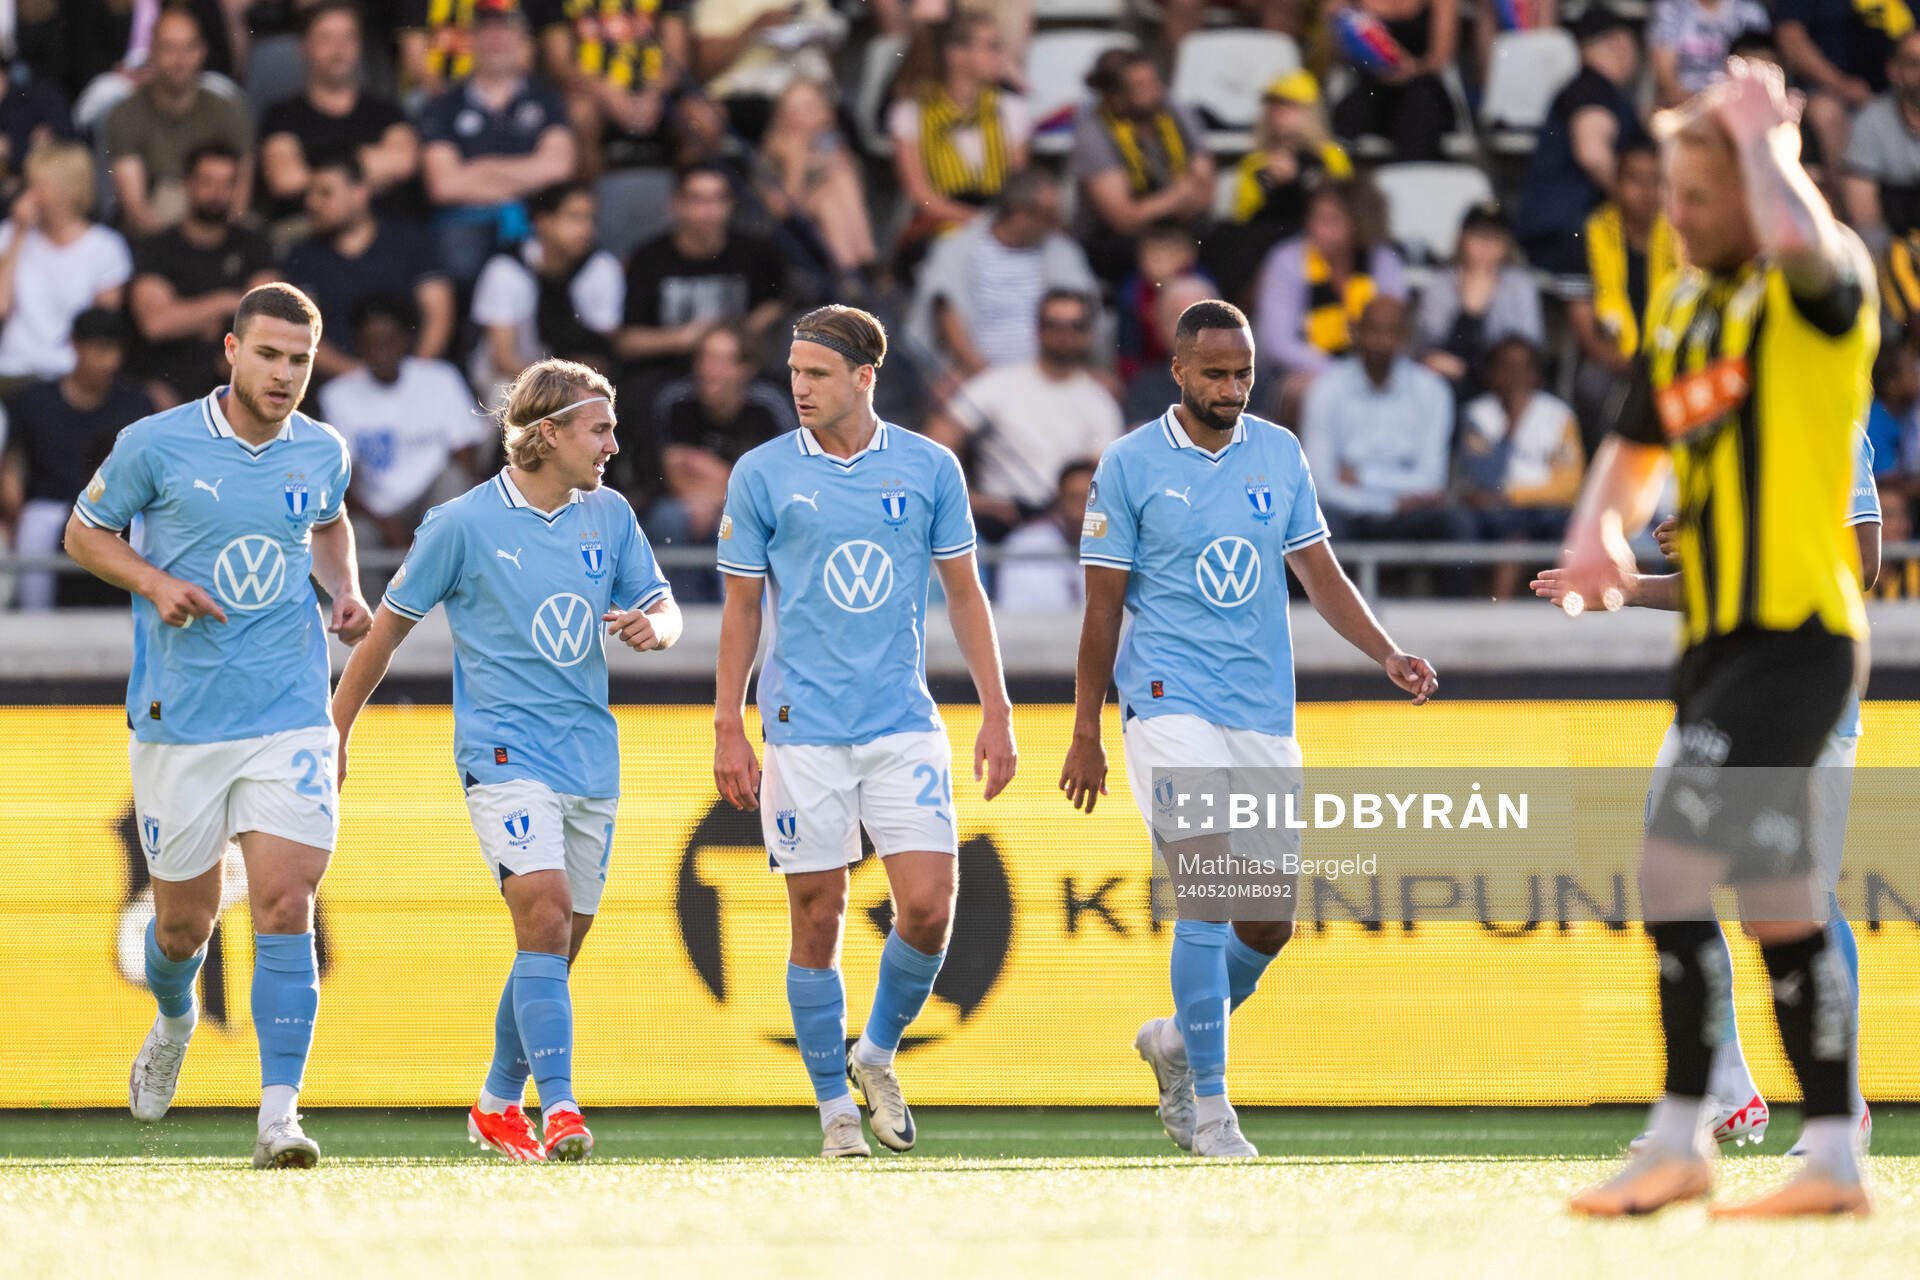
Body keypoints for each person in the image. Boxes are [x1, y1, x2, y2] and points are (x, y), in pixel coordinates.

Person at [1559, 58, 1875, 1217]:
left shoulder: (1813, 290)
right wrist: (1600, 532)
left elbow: (1817, 256)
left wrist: (1769, 146)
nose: (1675, 218)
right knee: (1781, 900)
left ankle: (1681, 1134)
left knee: (1671, 868)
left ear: (1753, 192)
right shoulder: (1688, 307)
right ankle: (1835, 1157)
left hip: (1796, 635)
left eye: (1698, 196)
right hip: (1719, 641)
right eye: (1672, 196)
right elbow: (1638, 436)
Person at [1058, 297, 1437, 1159]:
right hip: (1165, 698)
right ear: (1180, 371)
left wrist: (1388, 653)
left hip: (1261, 707)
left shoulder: (1280, 451)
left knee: (1268, 923)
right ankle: (1214, 1108)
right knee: (1209, 887)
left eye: (1245, 375)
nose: (1232, 389)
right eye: (1217, 374)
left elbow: (1320, 573)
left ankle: (1178, 1042)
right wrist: (1086, 727)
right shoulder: (1128, 463)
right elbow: (1101, 609)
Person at [332, 358, 680, 1164]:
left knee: (554, 944)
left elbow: (663, 608)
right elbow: (386, 631)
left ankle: (496, 1103)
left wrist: (653, 629)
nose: (614, 444)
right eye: (601, 428)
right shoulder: (459, 524)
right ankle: (560, 1110)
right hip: (502, 750)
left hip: (589, 757)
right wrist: (335, 727)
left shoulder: (611, 514)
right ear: (549, 433)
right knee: (546, 914)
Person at [61, 283, 371, 1168]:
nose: (283, 374)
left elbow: (330, 519)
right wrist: (157, 583)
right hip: (182, 719)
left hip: (289, 708)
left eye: (300, 361)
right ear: (230, 351)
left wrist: (342, 588)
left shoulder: (322, 450)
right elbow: (86, 536)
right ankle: (173, 1015)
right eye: (268, 355)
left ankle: (279, 1116)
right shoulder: (154, 445)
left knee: (285, 903)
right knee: (181, 933)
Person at [712, 304, 1017, 1159]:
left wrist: (995, 710)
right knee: (818, 918)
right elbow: (740, 609)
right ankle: (832, 1113)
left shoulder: (929, 468)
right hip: (801, 730)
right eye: (794, 372)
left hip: (900, 723)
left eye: (815, 374)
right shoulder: (764, 472)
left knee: (927, 908)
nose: (798, 387)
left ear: (864, 377)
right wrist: (728, 724)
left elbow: (964, 592)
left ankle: (874, 1052)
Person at [1535, 423, 1882, 1158]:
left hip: (1803, 687)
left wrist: (1722, 547)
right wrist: (1626, 589)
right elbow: (1716, 585)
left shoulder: (1820, 411)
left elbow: (1863, 562)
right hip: (1715, 687)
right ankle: (1726, 1094)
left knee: (1797, 897)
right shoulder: (1709, 426)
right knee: (1670, 877)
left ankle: (1841, 1109)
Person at [924, 289, 1125, 539]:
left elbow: (1099, 477)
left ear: (1090, 333)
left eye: (1075, 325)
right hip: (999, 519)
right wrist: (971, 500)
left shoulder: (1100, 401)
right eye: (1053, 324)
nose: (1064, 334)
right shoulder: (998, 383)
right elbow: (937, 443)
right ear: (1037, 329)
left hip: (1070, 527)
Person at [0, 309, 153, 609]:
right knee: (35, 527)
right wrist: (11, 509)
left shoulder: (135, 403)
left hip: (117, 508)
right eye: (100, 349)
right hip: (50, 508)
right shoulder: (35, 400)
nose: (110, 361)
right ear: (75, 345)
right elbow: (12, 465)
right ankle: (37, 624)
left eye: (116, 350)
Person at [417, 0, 579, 285]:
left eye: (506, 29)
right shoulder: (442, 105)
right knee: (455, 257)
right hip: (465, 227)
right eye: (486, 30)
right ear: (471, 39)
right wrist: (527, 172)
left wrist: (482, 168)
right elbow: (443, 186)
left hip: (532, 223)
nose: (496, 40)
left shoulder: (547, 100)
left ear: (522, 38)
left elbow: (560, 169)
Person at [1300, 295, 1471, 545]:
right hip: (1346, 512)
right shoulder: (1326, 389)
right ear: (1356, 332)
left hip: (1409, 513)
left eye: (1391, 332)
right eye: (1373, 331)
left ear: (1406, 337)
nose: (1381, 342)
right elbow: (1320, 483)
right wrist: (1389, 503)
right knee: (1315, 527)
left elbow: (1432, 480)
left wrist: (1362, 477)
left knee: (1457, 525)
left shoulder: (1432, 390)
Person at [321, 297, 489, 550]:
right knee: (353, 533)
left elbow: (466, 456)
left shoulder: (440, 378)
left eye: (388, 341)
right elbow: (342, 481)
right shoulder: (337, 395)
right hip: (376, 511)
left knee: (455, 482)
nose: (381, 351)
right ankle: (369, 593)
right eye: (371, 344)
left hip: (432, 502)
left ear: (405, 340)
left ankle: (448, 586)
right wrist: (385, 526)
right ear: (359, 345)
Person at [640, 322, 791, 600]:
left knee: (741, 524)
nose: (711, 369)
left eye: (723, 360)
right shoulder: (677, 401)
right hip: (688, 504)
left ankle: (744, 616)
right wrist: (728, 478)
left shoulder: (767, 408)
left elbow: (774, 486)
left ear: (746, 368)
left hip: (744, 510)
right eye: (706, 358)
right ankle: (673, 611)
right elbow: (672, 473)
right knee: (667, 518)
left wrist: (719, 493)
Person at [905, 167, 1096, 381]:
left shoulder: (1062, 251)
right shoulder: (957, 249)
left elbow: (1080, 319)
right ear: (1020, 213)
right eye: (1049, 215)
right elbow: (949, 319)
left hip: (1052, 376)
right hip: (976, 376)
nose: (1057, 223)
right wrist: (991, 382)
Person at [128, 145, 277, 408]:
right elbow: (156, 324)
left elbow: (268, 313)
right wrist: (226, 302)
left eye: (226, 183)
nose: (217, 193)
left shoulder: (253, 245)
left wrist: (188, 314)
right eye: (207, 182)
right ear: (187, 184)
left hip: (236, 379)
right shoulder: (157, 249)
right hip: (169, 383)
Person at [283, 156, 456, 380]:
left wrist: (413, 379)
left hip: (417, 378)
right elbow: (303, 334)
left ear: (360, 192)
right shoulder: (303, 256)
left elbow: (439, 315)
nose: (312, 203)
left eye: (325, 193)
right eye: (310, 194)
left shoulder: (409, 241)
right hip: (337, 389)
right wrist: (359, 381)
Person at [615, 163, 784, 385]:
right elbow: (627, 342)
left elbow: (781, 299)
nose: (709, 211)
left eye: (718, 199)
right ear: (676, 204)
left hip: (740, 375)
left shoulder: (753, 252)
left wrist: (745, 330)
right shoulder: (648, 259)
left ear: (730, 205)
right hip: (669, 374)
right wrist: (684, 338)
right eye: (698, 200)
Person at [1513, 9, 1649, 277]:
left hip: (1555, 228)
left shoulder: (1590, 87)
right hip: (1567, 229)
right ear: (1620, 42)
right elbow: (1593, 154)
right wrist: (1633, 204)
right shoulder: (1591, 87)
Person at [260, 1, 421, 226]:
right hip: (307, 236)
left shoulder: (386, 111)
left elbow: (403, 163)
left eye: (348, 38)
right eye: (326, 38)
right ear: (304, 46)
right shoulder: (282, 115)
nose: (339, 50)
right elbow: (285, 179)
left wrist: (317, 174)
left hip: (383, 237)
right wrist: (367, 162)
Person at [888, 14, 1030, 261]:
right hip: (940, 221)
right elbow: (922, 196)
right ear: (956, 54)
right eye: (991, 47)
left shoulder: (1010, 109)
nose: (1000, 56)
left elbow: (1019, 183)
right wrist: (977, 221)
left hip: (997, 213)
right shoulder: (911, 112)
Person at [101, 9, 253, 239]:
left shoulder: (227, 109)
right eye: (169, 48)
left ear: (203, 51)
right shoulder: (126, 113)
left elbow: (239, 199)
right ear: (151, 52)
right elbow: (136, 211)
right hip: (158, 235)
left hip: (217, 222)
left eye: (189, 47)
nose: (180, 59)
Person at [1568, 139, 1680, 449]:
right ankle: (1604, 466)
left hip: (1670, 355)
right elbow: (1582, 320)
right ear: (1616, 183)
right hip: (1613, 357)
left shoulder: (1681, 232)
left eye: (1655, 180)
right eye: (1635, 179)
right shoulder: (1591, 231)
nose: (1646, 191)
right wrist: (1623, 364)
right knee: (1592, 384)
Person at [1070, 48, 1214, 284]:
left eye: (1154, 81)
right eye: (1140, 86)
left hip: (1179, 227)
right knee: (1139, 254)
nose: (1154, 91)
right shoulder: (1094, 132)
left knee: (1225, 238)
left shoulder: (1176, 111)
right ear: (1114, 97)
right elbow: (1122, 218)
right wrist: (1178, 195)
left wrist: (1170, 208)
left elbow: (1204, 192)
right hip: (1115, 239)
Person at [469, 182, 625, 397]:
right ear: (542, 221)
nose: (586, 228)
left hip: (579, 380)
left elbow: (603, 347)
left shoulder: (601, 267)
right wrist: (556, 387)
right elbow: (502, 359)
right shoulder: (506, 269)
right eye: (574, 217)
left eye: (591, 218)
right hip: (513, 379)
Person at [1457, 337, 1584, 597]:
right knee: (1472, 523)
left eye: (1523, 368)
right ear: (1491, 374)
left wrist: (1511, 495)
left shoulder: (1558, 415)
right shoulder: (1478, 415)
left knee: (1561, 522)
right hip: (1494, 514)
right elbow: (1485, 477)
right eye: (1505, 367)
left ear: (1536, 375)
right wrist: (1511, 428)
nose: (1515, 377)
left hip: (1543, 511)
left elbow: (1569, 488)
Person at [0, 141, 133, 391]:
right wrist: (18, 233)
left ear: (67, 190)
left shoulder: (106, 247)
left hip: (71, 374)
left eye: (38, 186)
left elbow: (100, 326)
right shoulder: (8, 234)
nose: (29, 194)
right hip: (11, 369)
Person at [1253, 181, 1407, 393]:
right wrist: (1340, 373)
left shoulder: (1383, 261)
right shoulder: (1287, 260)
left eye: (1331, 220)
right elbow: (1279, 343)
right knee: (1306, 389)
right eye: (1315, 217)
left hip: (1375, 369)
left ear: (1358, 224)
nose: (1317, 228)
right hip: (1302, 372)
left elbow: (1394, 328)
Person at [1210, 71, 1353, 294]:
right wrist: (1270, 183)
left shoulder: (1332, 156)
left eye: (1289, 106)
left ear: (1310, 112)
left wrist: (1297, 180)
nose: (1278, 113)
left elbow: (1339, 206)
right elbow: (1246, 216)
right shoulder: (1254, 163)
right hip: (1265, 242)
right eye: (1273, 106)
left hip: (1315, 236)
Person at [535, 0, 694, 178]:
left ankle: (688, 197)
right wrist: (608, 93)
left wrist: (653, 92)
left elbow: (677, 59)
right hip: (591, 91)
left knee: (703, 119)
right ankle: (590, 199)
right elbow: (559, 63)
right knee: (579, 115)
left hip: (657, 91)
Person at [1413, 202, 1543, 402]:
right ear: (1462, 239)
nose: (1486, 246)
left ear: (1506, 245)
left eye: (1495, 238)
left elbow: (1527, 346)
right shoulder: (1441, 283)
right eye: (1478, 236)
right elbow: (1430, 346)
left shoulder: (1519, 285)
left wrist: (1473, 312)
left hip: (1502, 379)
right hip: (1452, 376)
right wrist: (1468, 312)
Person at [759, 77, 878, 278]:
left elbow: (855, 194)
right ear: (781, 116)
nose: (801, 117)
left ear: (826, 113)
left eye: (809, 107)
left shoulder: (829, 143)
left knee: (839, 180)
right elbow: (780, 210)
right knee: (826, 198)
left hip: (837, 232)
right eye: (793, 110)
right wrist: (794, 163)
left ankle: (864, 262)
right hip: (789, 228)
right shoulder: (776, 150)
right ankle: (852, 271)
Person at [1328, 0, 1461, 162]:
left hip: (1422, 82)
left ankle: (1414, 174)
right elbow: (1338, 56)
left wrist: (1410, 68)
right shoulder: (1351, 4)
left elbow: (1440, 57)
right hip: (1372, 83)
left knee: (1419, 108)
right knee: (1350, 118)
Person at [1842, 32, 1920, 255]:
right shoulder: (1870, 120)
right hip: (1890, 250)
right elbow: (1865, 218)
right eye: (1913, 64)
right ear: (1893, 70)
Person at [993, 459, 1094, 612]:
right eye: (1074, 498)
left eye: (1090, 500)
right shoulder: (1024, 545)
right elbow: (1013, 614)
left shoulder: (1122, 548)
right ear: (1059, 500)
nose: (1082, 509)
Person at [1124, 274, 1216, 426]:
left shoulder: (1251, 383)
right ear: (1160, 326)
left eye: (1200, 315)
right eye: (1177, 316)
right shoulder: (1143, 390)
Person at [1649, 0, 1774, 107]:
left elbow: (1762, 75)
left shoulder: (1750, 13)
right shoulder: (1672, 8)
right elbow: (1666, 81)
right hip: (1682, 109)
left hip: (1736, 108)